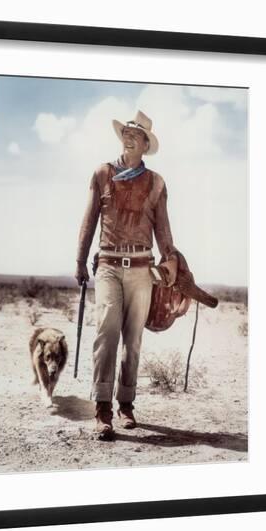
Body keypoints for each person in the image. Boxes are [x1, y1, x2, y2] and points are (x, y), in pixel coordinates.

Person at [75, 110, 179, 441]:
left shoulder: (156, 182)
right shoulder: (102, 173)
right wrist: (79, 260)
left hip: (141, 269)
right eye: (127, 131)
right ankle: (103, 408)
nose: (130, 135)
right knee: (106, 335)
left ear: (146, 145)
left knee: (133, 339)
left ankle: (126, 403)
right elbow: (89, 218)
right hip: (107, 265)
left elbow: (163, 228)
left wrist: (172, 260)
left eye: (138, 134)